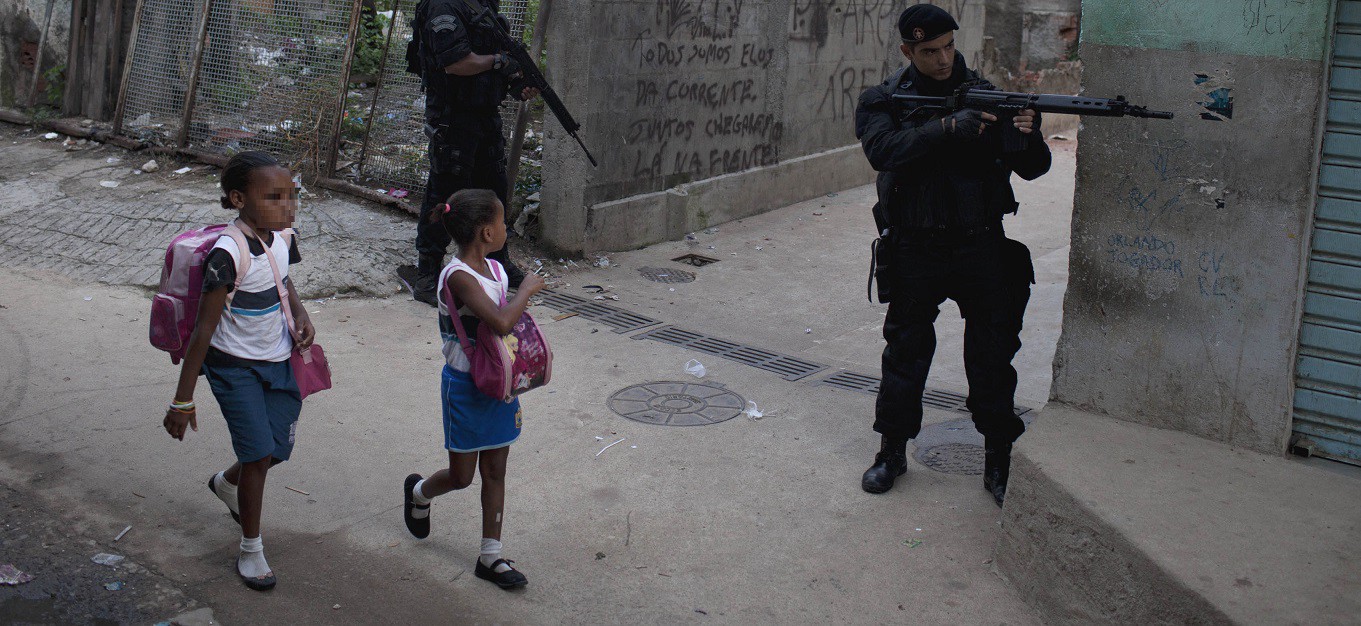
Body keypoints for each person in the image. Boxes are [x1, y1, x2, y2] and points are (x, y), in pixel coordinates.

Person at [854, 5, 1051, 505]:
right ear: (907, 51)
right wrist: (947, 128)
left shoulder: (989, 97)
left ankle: (997, 459)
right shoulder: (884, 100)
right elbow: (883, 151)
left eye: (948, 47)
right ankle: (891, 452)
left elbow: (1034, 169)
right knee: (905, 354)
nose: (942, 60)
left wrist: (1026, 133)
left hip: (980, 246)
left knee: (992, 358)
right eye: (928, 51)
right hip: (915, 248)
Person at [162, 151, 316, 590]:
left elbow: (281, 277)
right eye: (274, 197)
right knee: (257, 455)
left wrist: (301, 315)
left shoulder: (284, 235)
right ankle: (251, 548)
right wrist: (182, 399)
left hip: (279, 359)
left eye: (292, 196)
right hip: (234, 368)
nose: (288, 206)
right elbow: (203, 331)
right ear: (237, 198)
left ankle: (225, 484)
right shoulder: (226, 254)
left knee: (275, 450)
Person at [402, 188, 546, 590]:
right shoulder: (458, 276)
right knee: (463, 476)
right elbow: (501, 322)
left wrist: (516, 298)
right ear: (486, 231)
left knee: (496, 471)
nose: (505, 229)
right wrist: (526, 292)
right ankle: (418, 492)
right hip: (465, 386)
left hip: (499, 384)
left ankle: (491, 556)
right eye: (502, 223)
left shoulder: (496, 270)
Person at [403, 0, 539, 306]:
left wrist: (518, 83)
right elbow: (456, 63)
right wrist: (498, 61)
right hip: (453, 117)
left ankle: (498, 262)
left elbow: (500, 64)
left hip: (484, 115)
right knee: (444, 193)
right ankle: (428, 273)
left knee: (493, 190)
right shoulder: (444, 6)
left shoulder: (484, 6)